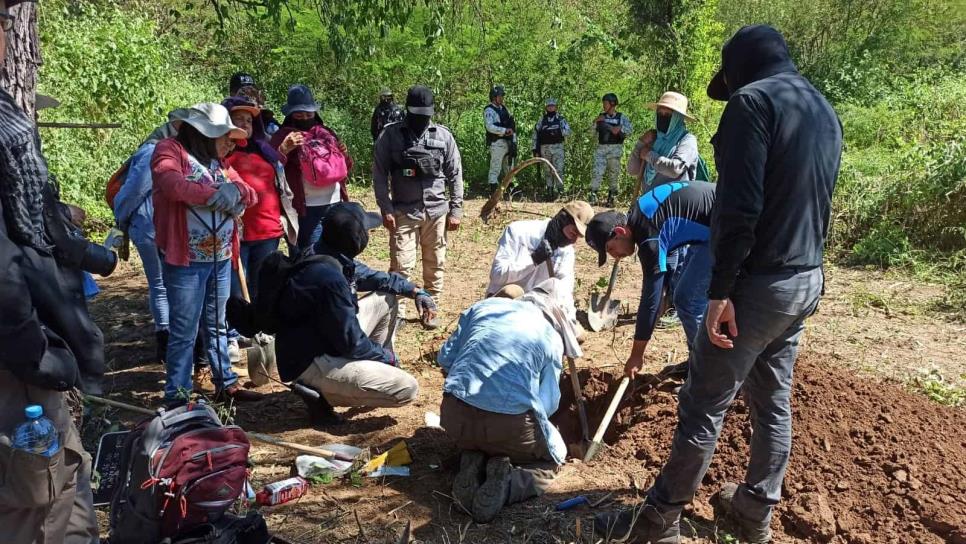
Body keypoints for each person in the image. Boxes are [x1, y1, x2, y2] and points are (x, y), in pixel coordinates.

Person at [594, 25, 842, 544]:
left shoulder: (751, 105)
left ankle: (658, 523)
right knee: (773, 400)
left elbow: (738, 207)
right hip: (805, 279)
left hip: (756, 284)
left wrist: (721, 291)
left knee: (702, 405)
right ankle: (755, 510)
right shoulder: (820, 107)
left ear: (739, 71)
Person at [0, 0, 103, 539]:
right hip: (17, 368)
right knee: (37, 503)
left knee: (65, 493)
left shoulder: (6, 121)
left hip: (29, 354)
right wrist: (37, 351)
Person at [232, 202, 433, 426]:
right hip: (311, 362)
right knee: (407, 388)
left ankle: (370, 370)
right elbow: (352, 343)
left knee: (385, 298)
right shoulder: (329, 280)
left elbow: (377, 278)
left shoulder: (324, 254)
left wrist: (415, 291)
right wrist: (388, 358)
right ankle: (318, 392)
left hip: (323, 342)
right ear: (356, 241)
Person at [439, 279, 581, 523]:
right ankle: (508, 483)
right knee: (550, 462)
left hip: (454, 417)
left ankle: (472, 457)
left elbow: (445, 360)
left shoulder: (483, 308)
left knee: (479, 436)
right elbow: (547, 404)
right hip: (509, 429)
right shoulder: (550, 336)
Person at [152, 102, 262, 406]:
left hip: (221, 258)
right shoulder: (170, 150)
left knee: (217, 324)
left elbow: (249, 192)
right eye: (224, 135)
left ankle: (226, 384)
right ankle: (178, 395)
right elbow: (170, 184)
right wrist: (215, 195)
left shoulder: (221, 164)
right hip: (185, 262)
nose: (231, 141)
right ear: (202, 133)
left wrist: (237, 192)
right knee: (184, 330)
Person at [585, 181, 715, 380]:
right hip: (708, 227)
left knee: (688, 300)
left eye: (611, 249)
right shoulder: (640, 216)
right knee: (685, 295)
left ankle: (709, 372)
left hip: (726, 224)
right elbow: (662, 281)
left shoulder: (648, 237)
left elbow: (650, 300)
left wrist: (637, 355)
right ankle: (700, 361)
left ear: (620, 232)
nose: (615, 256)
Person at [373, 85, 464, 328]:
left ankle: (430, 307)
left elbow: (455, 173)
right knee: (401, 264)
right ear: (408, 111)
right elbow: (380, 174)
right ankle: (398, 312)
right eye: (417, 113)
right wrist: (386, 208)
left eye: (426, 114)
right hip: (403, 210)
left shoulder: (443, 136)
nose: (422, 119)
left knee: (435, 262)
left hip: (436, 211)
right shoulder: (390, 135)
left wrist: (456, 210)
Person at [112, 119, 178, 363]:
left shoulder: (165, 150)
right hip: (151, 226)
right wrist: (122, 220)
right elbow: (133, 192)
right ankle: (165, 340)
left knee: (169, 284)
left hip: (158, 226)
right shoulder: (153, 152)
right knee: (161, 284)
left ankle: (170, 340)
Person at [222, 96, 298, 299]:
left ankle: (258, 327)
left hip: (268, 231)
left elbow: (280, 185)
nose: (245, 124)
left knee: (262, 288)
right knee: (235, 291)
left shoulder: (264, 150)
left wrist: (283, 217)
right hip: (237, 235)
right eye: (238, 118)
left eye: (248, 120)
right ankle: (235, 330)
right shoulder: (220, 155)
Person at [485, 201, 593, 330]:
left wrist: (570, 321)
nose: (573, 241)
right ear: (562, 220)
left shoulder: (566, 251)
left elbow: (565, 291)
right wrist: (533, 259)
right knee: (512, 292)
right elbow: (497, 275)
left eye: (578, 237)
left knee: (578, 333)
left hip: (536, 310)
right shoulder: (518, 231)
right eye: (573, 233)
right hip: (505, 305)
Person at [269, 84, 351, 251]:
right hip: (304, 210)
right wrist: (283, 150)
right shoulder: (283, 136)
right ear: (291, 114)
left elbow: (346, 168)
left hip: (335, 203)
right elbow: (270, 169)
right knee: (308, 255)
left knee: (336, 251)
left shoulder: (326, 132)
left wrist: (345, 155)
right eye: (300, 113)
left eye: (309, 113)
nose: (305, 117)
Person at [626, 91, 700, 190]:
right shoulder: (653, 137)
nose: (662, 117)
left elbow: (675, 169)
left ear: (677, 118)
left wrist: (649, 155)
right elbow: (632, 170)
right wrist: (641, 143)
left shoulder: (687, 140)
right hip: (650, 200)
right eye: (660, 113)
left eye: (668, 115)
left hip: (675, 201)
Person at [590, 92, 632, 207]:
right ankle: (593, 194)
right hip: (601, 149)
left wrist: (620, 129)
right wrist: (596, 121)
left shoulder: (621, 117)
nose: (603, 105)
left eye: (606, 103)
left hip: (615, 149)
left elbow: (629, 131)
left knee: (613, 174)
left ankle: (611, 197)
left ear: (612, 104)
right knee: (597, 172)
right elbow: (591, 133)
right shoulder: (601, 116)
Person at [531, 98, 571, 199]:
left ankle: (560, 191)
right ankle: (549, 190)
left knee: (559, 169)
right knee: (547, 170)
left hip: (558, 147)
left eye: (552, 106)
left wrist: (556, 132)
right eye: (549, 106)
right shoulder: (541, 120)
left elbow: (568, 131)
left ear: (556, 107)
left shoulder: (561, 119)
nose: (551, 108)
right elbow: (535, 134)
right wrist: (535, 149)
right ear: (546, 108)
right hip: (545, 148)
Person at [483, 85, 515, 190]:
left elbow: (512, 126)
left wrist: (513, 141)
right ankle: (493, 191)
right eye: (499, 96)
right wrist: (504, 130)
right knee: (495, 168)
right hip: (497, 143)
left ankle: (509, 190)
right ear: (494, 97)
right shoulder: (489, 110)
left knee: (509, 168)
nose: (502, 98)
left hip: (508, 142)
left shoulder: (505, 109)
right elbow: (489, 127)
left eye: (502, 96)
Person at [229, 71, 280, 136]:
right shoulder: (225, 115)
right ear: (232, 95)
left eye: (252, 92)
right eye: (243, 92)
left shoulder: (265, 118)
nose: (248, 96)